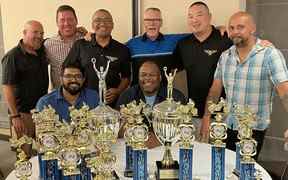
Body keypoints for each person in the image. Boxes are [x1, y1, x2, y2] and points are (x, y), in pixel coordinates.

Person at [202, 11, 288, 160]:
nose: (235, 32)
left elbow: (285, 92)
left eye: (240, 27)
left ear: (252, 29)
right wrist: (206, 117)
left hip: (253, 129)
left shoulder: (270, 54)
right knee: (224, 169)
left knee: (245, 171)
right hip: (227, 125)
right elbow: (215, 90)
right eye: (232, 27)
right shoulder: (225, 56)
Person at [173, 1, 232, 125]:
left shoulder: (225, 39)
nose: (194, 20)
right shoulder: (183, 44)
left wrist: (260, 43)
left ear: (209, 17)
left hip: (224, 113)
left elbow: (246, 43)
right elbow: (170, 71)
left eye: (199, 15)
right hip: (194, 112)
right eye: (190, 16)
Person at [64, 9, 131, 107]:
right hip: (84, 105)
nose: (103, 24)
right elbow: (67, 71)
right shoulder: (80, 45)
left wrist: (117, 91)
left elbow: (126, 77)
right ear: (92, 25)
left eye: (107, 20)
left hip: (112, 105)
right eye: (98, 20)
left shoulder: (122, 49)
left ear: (112, 25)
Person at [2, 20, 49, 156]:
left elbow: (57, 38)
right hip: (23, 114)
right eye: (35, 32)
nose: (39, 36)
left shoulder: (41, 50)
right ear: (24, 33)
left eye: (41, 33)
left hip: (42, 113)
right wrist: (15, 116)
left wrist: (79, 31)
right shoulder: (12, 56)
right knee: (24, 155)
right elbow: (7, 87)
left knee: (47, 151)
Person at [116, 61, 186, 148]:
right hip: (136, 147)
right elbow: (117, 128)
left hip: (167, 148)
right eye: (143, 75)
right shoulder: (127, 96)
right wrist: (140, 135)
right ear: (138, 78)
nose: (147, 78)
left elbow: (185, 129)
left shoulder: (176, 97)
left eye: (152, 75)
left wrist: (160, 139)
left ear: (160, 78)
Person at [126, 7, 188, 85]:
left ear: (161, 23)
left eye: (156, 20)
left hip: (165, 94)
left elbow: (195, 35)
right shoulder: (132, 44)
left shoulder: (173, 41)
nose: (152, 23)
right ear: (143, 23)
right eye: (148, 20)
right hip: (138, 94)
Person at [45, 5, 87, 89]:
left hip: (84, 95)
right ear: (57, 23)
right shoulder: (48, 45)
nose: (66, 23)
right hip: (59, 97)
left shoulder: (86, 40)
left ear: (76, 21)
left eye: (70, 19)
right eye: (62, 20)